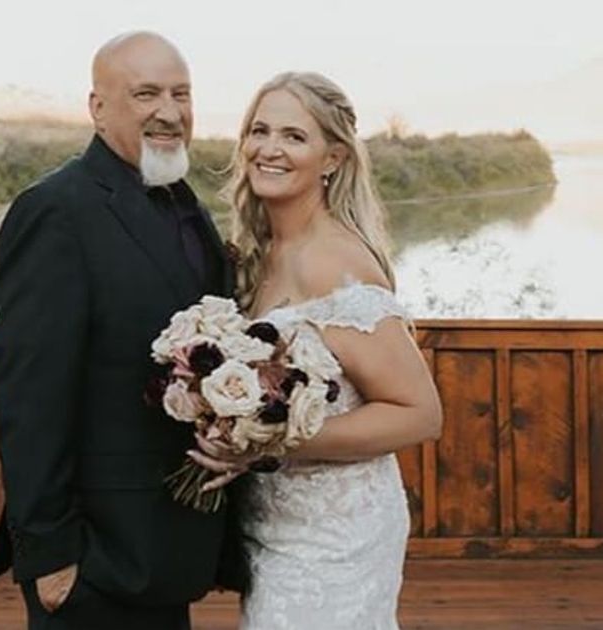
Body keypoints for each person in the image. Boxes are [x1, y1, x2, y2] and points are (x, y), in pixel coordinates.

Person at [0, 31, 243, 629]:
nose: (170, 111)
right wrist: (49, 558)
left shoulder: (187, 204)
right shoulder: (56, 210)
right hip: (92, 560)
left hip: (164, 551)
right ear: (98, 108)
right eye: (146, 93)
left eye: (182, 93)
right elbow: (30, 397)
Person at [189, 71, 444, 630]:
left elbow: (420, 414)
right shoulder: (261, 255)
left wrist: (272, 443)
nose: (270, 149)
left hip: (336, 533)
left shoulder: (335, 262)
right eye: (260, 130)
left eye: (294, 136)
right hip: (272, 526)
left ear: (332, 159)